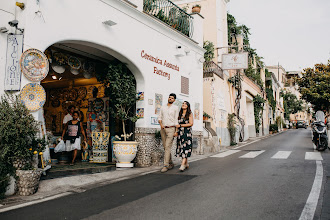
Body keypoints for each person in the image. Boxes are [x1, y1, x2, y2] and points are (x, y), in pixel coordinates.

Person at [158, 93, 179, 173]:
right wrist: (161, 125)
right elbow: (160, 117)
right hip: (163, 129)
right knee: (165, 147)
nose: (170, 99)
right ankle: (170, 163)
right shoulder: (163, 107)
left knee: (167, 146)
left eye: (172, 98)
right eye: (169, 97)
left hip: (171, 129)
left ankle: (165, 165)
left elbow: (176, 119)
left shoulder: (175, 108)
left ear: (174, 100)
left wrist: (176, 131)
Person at [175, 101, 194, 172]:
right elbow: (177, 123)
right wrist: (176, 131)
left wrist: (181, 125)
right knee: (181, 147)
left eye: (185, 104)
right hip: (180, 133)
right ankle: (186, 163)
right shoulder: (179, 114)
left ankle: (182, 164)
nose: (183, 104)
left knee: (185, 147)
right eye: (183, 103)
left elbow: (191, 123)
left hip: (187, 133)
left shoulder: (189, 113)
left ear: (188, 106)